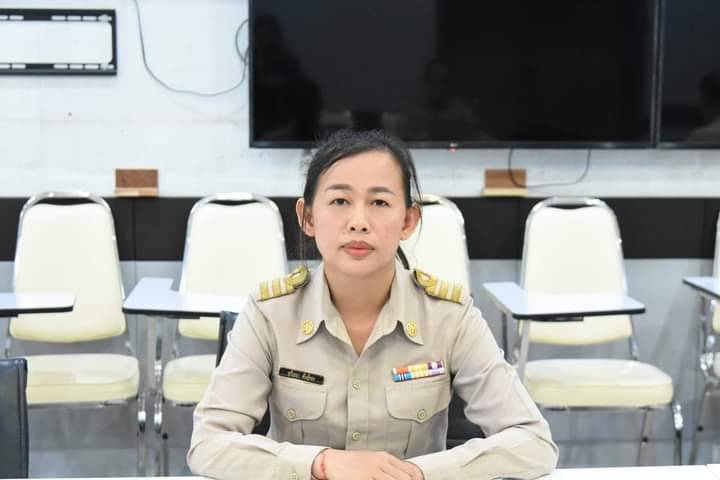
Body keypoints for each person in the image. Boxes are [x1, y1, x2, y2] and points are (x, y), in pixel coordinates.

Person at [187, 130, 558, 480]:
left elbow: (534, 442)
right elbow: (208, 444)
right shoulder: (270, 313)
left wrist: (419, 473)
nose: (359, 222)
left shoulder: (449, 316)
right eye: (340, 201)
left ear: (409, 220)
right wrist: (322, 463)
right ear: (308, 217)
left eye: (379, 202)